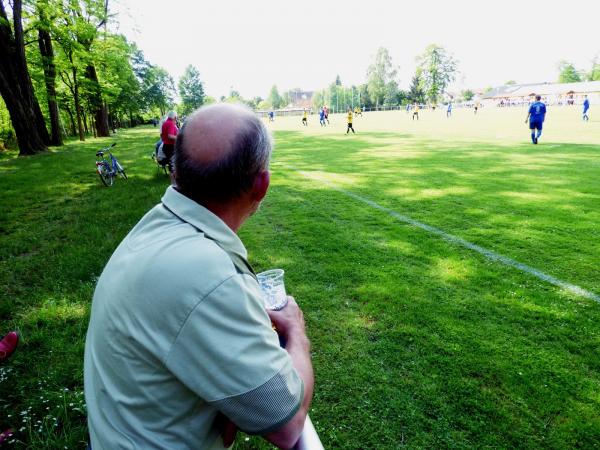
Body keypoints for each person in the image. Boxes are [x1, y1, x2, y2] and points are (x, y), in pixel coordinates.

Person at [84, 103, 314, 450]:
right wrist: (297, 332)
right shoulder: (208, 277)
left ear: (176, 171)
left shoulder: (158, 227)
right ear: (261, 185)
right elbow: (286, 423)